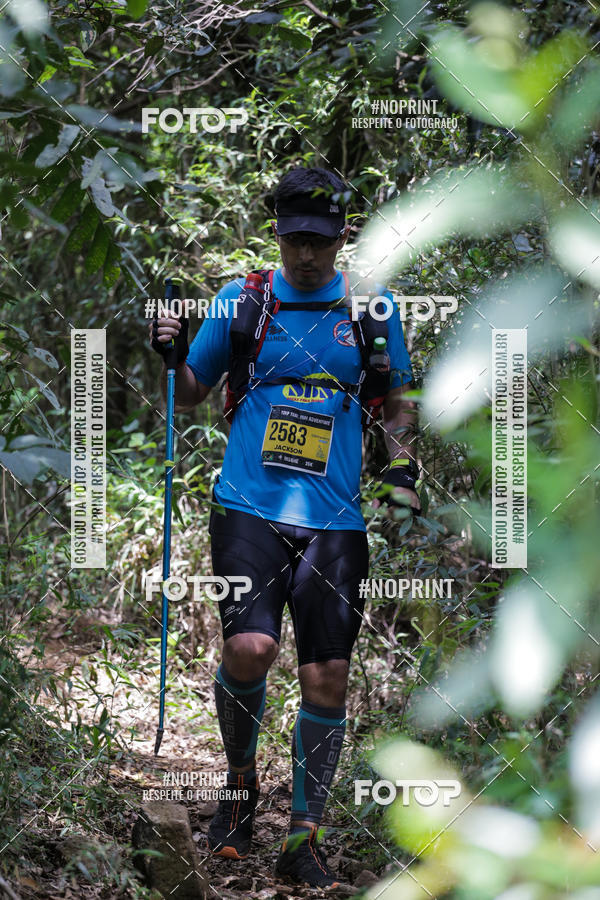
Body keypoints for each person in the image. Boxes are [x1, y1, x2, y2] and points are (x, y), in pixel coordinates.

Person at [150, 166, 420, 889]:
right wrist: (173, 353)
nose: (308, 254)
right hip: (247, 505)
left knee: (328, 674)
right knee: (249, 647)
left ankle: (304, 836)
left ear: (344, 235)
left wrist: (401, 468)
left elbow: (397, 398)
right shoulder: (243, 301)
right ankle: (238, 788)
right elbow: (193, 391)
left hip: (335, 517)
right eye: (297, 238)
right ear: (277, 231)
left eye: (322, 241)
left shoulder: (373, 308)